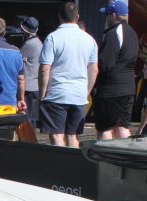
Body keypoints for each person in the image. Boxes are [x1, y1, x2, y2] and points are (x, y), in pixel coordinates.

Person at [38, 2, 99, 148]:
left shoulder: (53, 38)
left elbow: (45, 69)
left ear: (59, 17)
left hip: (56, 93)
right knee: (72, 136)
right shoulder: (90, 40)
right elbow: (94, 70)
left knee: (57, 135)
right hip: (78, 95)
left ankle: (59, 167)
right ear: (77, 17)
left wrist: (42, 94)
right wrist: (86, 93)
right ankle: (74, 167)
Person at [94, 1, 139, 140]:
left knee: (105, 128)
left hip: (110, 91)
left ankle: (103, 159)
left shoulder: (113, 33)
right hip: (128, 88)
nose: (106, 18)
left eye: (107, 14)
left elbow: (105, 64)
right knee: (122, 127)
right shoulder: (132, 33)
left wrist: (95, 85)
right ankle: (126, 158)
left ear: (113, 15)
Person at [19, 16, 42, 126]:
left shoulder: (29, 44)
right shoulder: (38, 42)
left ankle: (28, 141)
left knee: (26, 117)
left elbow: (18, 60)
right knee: (32, 117)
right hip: (35, 85)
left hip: (28, 86)